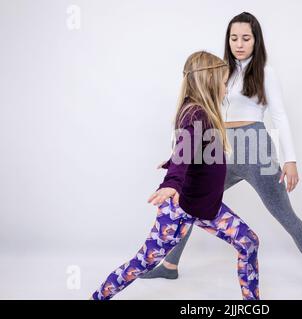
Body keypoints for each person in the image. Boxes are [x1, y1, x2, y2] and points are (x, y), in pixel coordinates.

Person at [140, 12, 302, 298]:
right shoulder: (218, 70)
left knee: (283, 213)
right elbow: (200, 112)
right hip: (220, 146)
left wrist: (290, 160)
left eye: (246, 38)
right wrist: (176, 157)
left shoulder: (264, 70)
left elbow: (279, 115)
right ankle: (169, 264)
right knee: (188, 202)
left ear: (256, 40)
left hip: (256, 147)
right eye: (234, 38)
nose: (239, 44)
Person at [91, 51, 260, 300]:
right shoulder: (196, 114)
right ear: (210, 82)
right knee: (143, 262)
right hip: (179, 206)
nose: (226, 88)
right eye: (224, 82)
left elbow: (192, 150)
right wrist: (172, 180)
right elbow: (185, 150)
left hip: (204, 205)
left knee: (248, 242)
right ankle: (98, 296)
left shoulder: (202, 112)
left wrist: (172, 162)